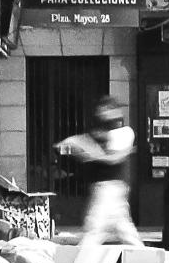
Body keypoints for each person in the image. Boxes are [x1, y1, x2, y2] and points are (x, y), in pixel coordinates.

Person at [56, 96, 143, 249]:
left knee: (94, 229)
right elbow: (80, 141)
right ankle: (147, 260)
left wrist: (92, 154)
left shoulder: (124, 132)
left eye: (106, 111)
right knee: (124, 230)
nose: (102, 115)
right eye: (101, 111)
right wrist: (72, 145)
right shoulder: (101, 133)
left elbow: (114, 158)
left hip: (110, 188)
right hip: (106, 188)